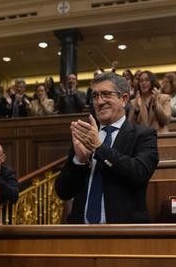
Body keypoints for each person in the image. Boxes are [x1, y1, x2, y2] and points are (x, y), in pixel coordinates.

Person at [55, 72, 159, 223]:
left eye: (106, 94)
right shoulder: (85, 135)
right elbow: (63, 192)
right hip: (79, 235)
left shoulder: (143, 135)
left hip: (124, 235)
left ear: (123, 99)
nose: (99, 101)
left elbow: (139, 174)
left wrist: (99, 147)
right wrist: (79, 160)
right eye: (95, 96)